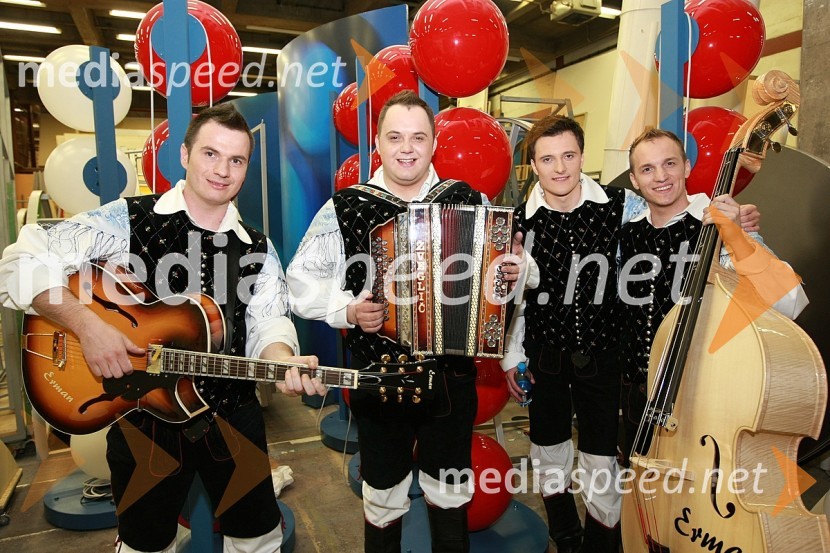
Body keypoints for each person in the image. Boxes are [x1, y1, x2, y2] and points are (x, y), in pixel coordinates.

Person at [0, 103, 326, 553]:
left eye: (236, 160)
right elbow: (21, 259)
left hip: (232, 415)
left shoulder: (258, 247)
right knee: (145, 545)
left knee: (258, 539)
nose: (222, 170)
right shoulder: (126, 221)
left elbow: (268, 323)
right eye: (210, 154)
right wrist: (87, 326)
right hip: (144, 422)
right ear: (185, 155)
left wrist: (284, 361)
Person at [499, 115, 761, 553]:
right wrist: (512, 356)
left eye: (568, 155)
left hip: (606, 359)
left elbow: (672, 206)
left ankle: (601, 544)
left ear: (583, 156)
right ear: (533, 165)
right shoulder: (519, 222)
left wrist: (726, 215)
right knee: (547, 450)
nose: (560, 168)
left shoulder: (622, 205)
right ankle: (565, 535)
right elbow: (516, 301)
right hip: (544, 355)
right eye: (547, 159)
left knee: (602, 458)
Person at [286, 90, 525, 553]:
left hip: (452, 382)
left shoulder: (468, 199)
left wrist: (513, 272)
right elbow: (299, 281)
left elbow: (503, 280)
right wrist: (348, 310)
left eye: (418, 137)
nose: (407, 148)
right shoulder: (346, 207)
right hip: (378, 380)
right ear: (377, 142)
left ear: (434, 143)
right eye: (394, 137)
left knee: (451, 491)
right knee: (382, 493)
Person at [618, 127, 808, 461]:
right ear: (634, 180)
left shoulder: (723, 225)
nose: (660, 176)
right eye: (647, 169)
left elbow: (790, 303)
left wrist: (737, 237)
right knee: (641, 485)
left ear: (687, 167)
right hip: (637, 397)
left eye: (669, 164)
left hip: (700, 398)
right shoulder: (627, 233)